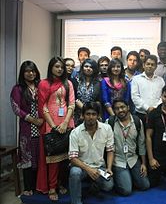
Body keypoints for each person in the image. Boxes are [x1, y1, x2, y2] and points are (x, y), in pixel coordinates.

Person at [37, 57, 75, 201]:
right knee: (53, 158)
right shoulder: (44, 84)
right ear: (51, 67)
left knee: (66, 157)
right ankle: (52, 187)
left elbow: (71, 104)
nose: (60, 69)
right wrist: (52, 125)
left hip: (67, 121)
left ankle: (60, 183)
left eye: (61, 67)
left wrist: (65, 122)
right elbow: (43, 106)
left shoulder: (68, 83)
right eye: (57, 66)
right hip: (50, 122)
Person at [69, 102, 114, 204]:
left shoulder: (107, 129)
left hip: (99, 167)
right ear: (82, 115)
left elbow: (110, 150)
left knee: (109, 186)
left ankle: (92, 183)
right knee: (74, 173)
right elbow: (73, 158)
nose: (91, 117)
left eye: (94, 114)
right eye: (88, 114)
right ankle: (76, 202)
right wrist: (89, 170)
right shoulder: (75, 132)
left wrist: (109, 168)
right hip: (82, 167)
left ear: (98, 116)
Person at [10, 61, 43, 196]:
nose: (31, 73)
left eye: (33, 71)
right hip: (27, 128)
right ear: (22, 73)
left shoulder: (41, 85)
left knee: (39, 157)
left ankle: (39, 186)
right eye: (28, 71)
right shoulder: (17, 89)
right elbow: (16, 109)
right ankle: (28, 187)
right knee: (28, 158)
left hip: (42, 127)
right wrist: (34, 120)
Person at [108, 99, 150, 196]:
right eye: (117, 108)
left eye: (122, 107)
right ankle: (122, 179)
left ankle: (128, 177)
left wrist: (144, 164)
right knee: (126, 191)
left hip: (133, 159)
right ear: (114, 111)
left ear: (128, 107)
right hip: (118, 161)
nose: (120, 110)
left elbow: (142, 144)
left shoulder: (137, 121)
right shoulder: (110, 123)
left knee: (145, 185)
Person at [131, 55, 165, 126]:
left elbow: (163, 97)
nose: (150, 66)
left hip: (157, 114)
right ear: (143, 65)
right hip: (141, 114)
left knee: (155, 136)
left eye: (152, 65)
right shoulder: (136, 79)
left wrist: (155, 108)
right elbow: (135, 97)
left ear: (156, 67)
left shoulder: (160, 80)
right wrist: (147, 108)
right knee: (141, 136)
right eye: (148, 64)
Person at [71, 59, 101, 126]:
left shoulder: (98, 82)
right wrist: (83, 109)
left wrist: (87, 110)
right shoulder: (75, 80)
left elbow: (98, 100)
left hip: (92, 114)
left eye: (91, 67)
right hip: (77, 114)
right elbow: (73, 97)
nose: (88, 68)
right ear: (82, 67)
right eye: (86, 66)